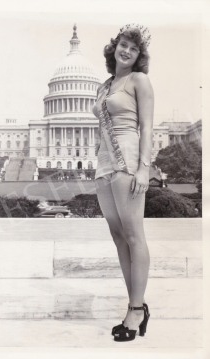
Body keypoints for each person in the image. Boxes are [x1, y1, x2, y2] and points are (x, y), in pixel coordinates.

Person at [92, 23, 154, 342]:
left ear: (139, 56)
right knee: (118, 237)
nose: (127, 51)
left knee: (133, 234)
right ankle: (137, 306)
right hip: (104, 161)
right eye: (123, 45)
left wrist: (144, 168)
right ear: (114, 47)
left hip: (128, 155)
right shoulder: (106, 85)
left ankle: (134, 310)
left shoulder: (139, 80)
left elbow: (146, 126)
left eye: (134, 48)